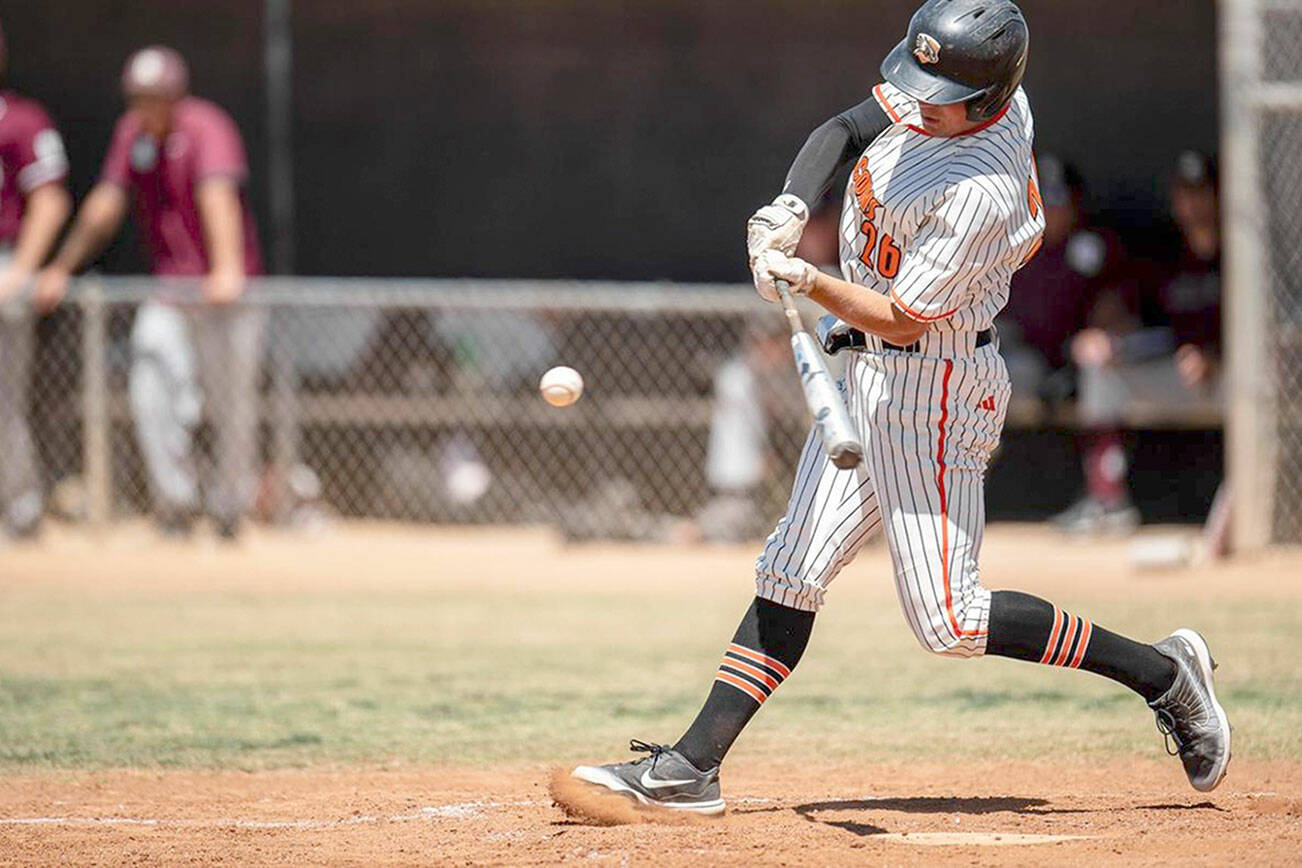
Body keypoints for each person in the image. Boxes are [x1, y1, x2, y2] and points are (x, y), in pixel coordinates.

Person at [562, 0, 1229, 816]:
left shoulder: (981, 190)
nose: (917, 100)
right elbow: (842, 130)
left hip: (934, 391)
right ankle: (691, 769)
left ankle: (1163, 673)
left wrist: (806, 282)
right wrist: (789, 211)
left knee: (950, 621)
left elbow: (906, 317)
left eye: (938, 93)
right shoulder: (957, 93)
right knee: (792, 569)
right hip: (865, 373)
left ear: (987, 105)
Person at [37, 46, 266, 539]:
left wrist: (226, 269)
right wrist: (60, 267)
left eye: (154, 97)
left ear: (175, 95)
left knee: (232, 406)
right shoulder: (131, 135)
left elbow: (217, 195)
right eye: (137, 98)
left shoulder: (206, 125)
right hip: (169, 291)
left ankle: (228, 509)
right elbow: (105, 206)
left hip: (224, 294)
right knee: (150, 391)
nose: (145, 108)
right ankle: (176, 506)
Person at [1053, 151, 1222, 535]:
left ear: (1219, 196)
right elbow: (1130, 310)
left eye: (1202, 193)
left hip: (1235, 379)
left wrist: (1219, 356)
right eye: (1185, 195)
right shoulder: (1164, 253)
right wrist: (1112, 334)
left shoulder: (1242, 252)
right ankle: (1107, 500)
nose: (1193, 205)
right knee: (1100, 366)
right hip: (1178, 375)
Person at [0, 18, 72, 540]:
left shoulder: (21, 120)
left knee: (3, 400)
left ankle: (20, 509)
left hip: (4, 262)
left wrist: (20, 271)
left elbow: (49, 199)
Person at [1000, 154, 1121, 404]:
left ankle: (1102, 443)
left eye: (1058, 202)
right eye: (1043, 200)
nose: (1050, 212)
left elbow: (1115, 302)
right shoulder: (1011, 245)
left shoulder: (1091, 246)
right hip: (1020, 354)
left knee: (1098, 361)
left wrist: (1097, 332)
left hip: (1072, 359)